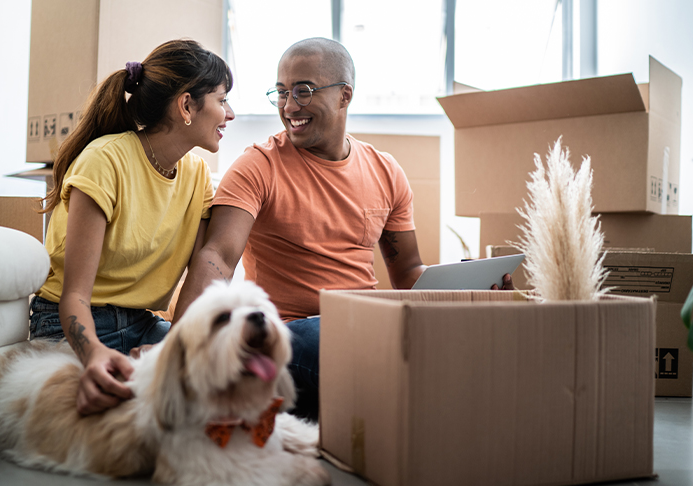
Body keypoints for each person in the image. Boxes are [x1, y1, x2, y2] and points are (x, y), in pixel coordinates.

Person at [173, 37, 513, 421]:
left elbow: (409, 277)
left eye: (302, 91)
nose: (288, 107)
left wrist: (467, 289)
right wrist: (179, 347)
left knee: (465, 348)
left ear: (344, 96)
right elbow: (218, 255)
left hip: (368, 325)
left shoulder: (386, 171)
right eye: (281, 93)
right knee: (337, 344)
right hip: (290, 334)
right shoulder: (257, 166)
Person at [29, 39, 235, 416]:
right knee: (136, 413)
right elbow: (74, 295)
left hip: (142, 325)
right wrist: (93, 355)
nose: (231, 114)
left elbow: (200, 277)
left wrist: (174, 345)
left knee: (224, 379)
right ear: (187, 105)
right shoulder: (104, 162)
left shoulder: (197, 174)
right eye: (223, 100)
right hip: (76, 327)